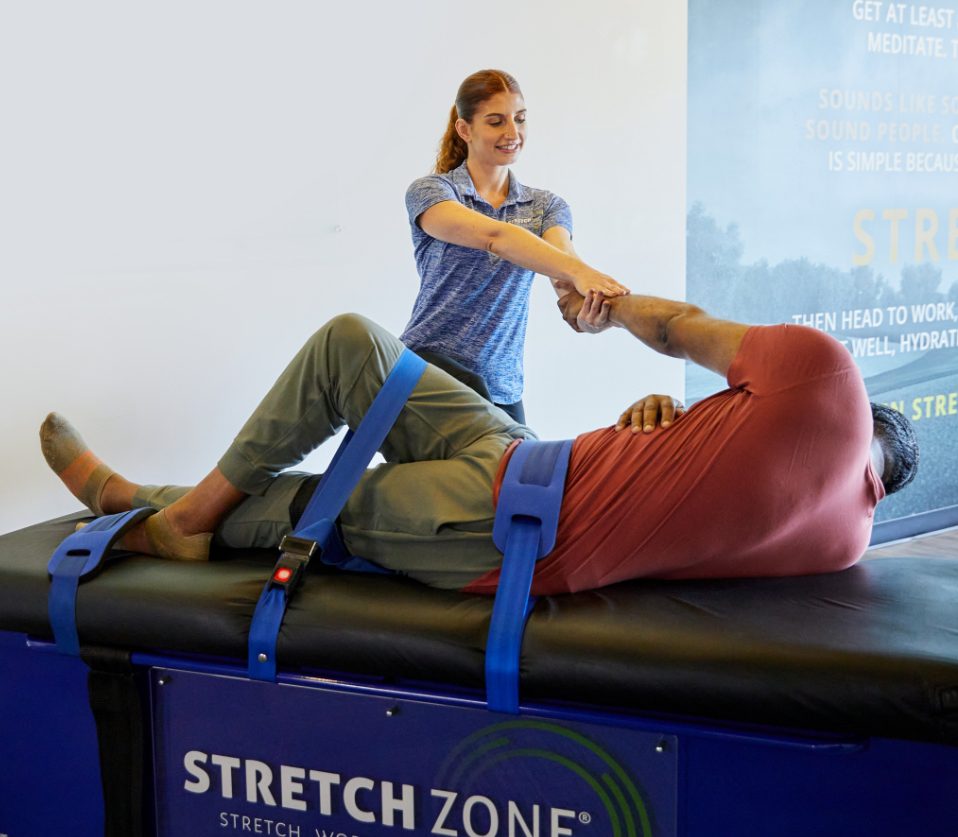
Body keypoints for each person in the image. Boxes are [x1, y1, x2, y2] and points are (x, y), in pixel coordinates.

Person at [40, 289, 918, 595]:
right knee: (358, 344)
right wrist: (672, 422)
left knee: (317, 498)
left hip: (501, 532)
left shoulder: (826, 376)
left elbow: (680, 326)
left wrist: (603, 307)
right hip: (524, 454)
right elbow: (709, 500)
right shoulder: (843, 544)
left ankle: (156, 511)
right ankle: (177, 507)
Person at [400, 69, 629, 423]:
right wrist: (581, 272)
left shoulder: (545, 207)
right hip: (425, 375)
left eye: (520, 120)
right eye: (496, 122)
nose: (513, 133)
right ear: (465, 129)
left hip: (500, 388)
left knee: (514, 478)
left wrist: (589, 316)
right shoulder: (432, 192)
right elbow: (497, 238)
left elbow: (564, 275)